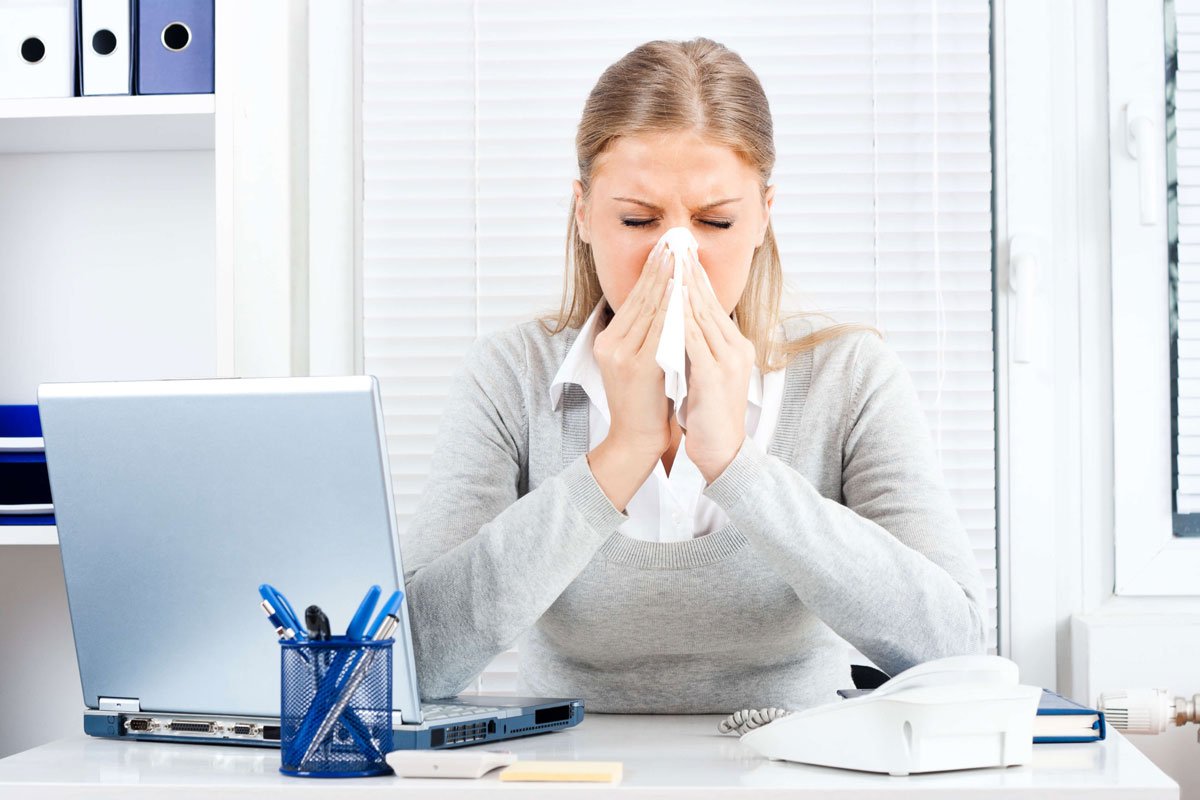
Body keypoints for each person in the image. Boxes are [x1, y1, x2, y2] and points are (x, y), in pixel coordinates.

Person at [400, 37, 986, 714]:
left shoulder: (850, 377)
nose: (675, 257)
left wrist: (739, 466)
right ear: (584, 214)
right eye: (637, 220)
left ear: (764, 216)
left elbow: (957, 648)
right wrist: (618, 457)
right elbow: (416, 660)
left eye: (715, 221)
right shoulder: (509, 376)